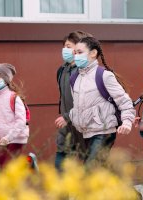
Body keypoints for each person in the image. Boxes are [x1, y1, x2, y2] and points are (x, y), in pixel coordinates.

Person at [67, 36, 136, 168]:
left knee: (91, 169)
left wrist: (127, 122)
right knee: (99, 172)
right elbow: (77, 105)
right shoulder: (74, 78)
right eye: (75, 53)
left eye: (80, 52)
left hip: (104, 132)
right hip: (85, 132)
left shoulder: (104, 75)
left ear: (93, 53)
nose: (76, 56)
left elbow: (124, 102)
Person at [54, 31, 92, 172]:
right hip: (67, 125)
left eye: (69, 46)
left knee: (89, 164)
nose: (65, 49)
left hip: (84, 124)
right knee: (61, 161)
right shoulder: (62, 70)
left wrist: (67, 117)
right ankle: (62, 193)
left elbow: (86, 101)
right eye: (64, 46)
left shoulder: (85, 71)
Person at [0, 63, 29, 171]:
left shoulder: (14, 97)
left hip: (16, 138)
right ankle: (28, 163)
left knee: (4, 168)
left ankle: (28, 164)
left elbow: (21, 121)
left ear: (6, 79)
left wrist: (9, 137)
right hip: (3, 139)